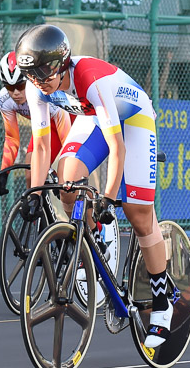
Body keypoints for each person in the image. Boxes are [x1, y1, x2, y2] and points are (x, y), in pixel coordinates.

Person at [15, 24, 174, 348]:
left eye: (44, 74)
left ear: (61, 65)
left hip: (133, 119)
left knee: (137, 213)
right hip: (93, 116)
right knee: (67, 181)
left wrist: (108, 199)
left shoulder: (88, 76)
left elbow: (118, 149)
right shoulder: (36, 87)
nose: (38, 83)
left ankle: (162, 300)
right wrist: (33, 192)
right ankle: (91, 239)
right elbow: (43, 147)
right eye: (31, 75)